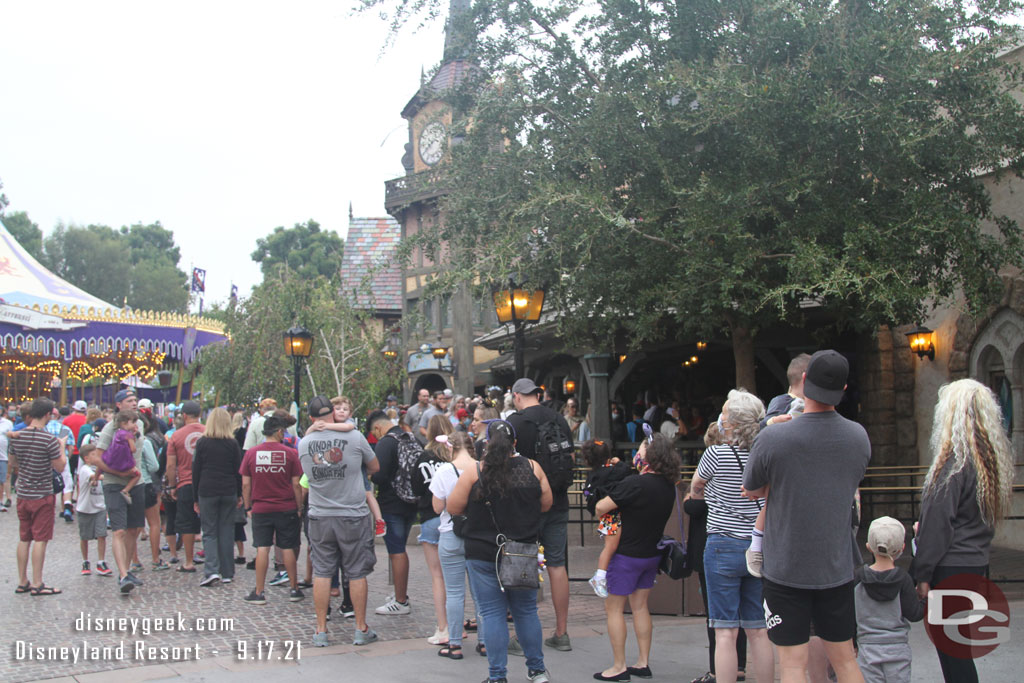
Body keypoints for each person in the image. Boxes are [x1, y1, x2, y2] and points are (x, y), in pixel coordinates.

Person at [743, 350, 870, 683]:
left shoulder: (774, 436)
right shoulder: (858, 437)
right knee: (845, 660)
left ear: (803, 381)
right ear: (842, 389)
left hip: (786, 566)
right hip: (836, 565)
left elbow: (751, 488)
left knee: (792, 664)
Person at [910, 378, 1014, 683]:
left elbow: (937, 525)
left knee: (954, 655)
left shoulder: (954, 463)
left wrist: (922, 573)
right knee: (959, 647)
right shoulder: (989, 461)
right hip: (976, 563)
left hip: (950, 567)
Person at [447, 420, 553, 683]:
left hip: (483, 551)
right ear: (514, 443)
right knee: (526, 611)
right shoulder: (532, 468)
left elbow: (453, 506)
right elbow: (546, 504)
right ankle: (537, 669)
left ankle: (497, 676)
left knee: (492, 612)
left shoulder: (475, 472)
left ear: (487, 442)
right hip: (523, 550)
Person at [690, 389, 774, 683]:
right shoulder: (766, 453)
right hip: (758, 545)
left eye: (725, 414)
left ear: (734, 423)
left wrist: (710, 496)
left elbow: (696, 486)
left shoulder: (715, 454)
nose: (721, 418)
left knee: (725, 631)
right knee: (758, 629)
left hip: (723, 543)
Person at [592, 433, 681, 682]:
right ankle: (642, 662)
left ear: (649, 455)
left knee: (614, 609)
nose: (637, 453)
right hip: (652, 554)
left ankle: (618, 666)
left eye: (641, 448)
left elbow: (601, 507)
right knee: (640, 606)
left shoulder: (636, 483)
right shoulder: (667, 485)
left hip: (626, 556)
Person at [299, 396, 380, 647]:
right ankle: (360, 628)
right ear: (332, 414)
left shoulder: (304, 443)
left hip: (320, 514)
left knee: (322, 571)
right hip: (352, 514)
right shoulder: (355, 437)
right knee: (356, 572)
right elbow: (375, 466)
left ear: (312, 418)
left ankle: (321, 630)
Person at [506, 377, 574, 653]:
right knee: (557, 565)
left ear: (517, 395)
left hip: (526, 504)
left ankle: (524, 637)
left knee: (525, 564)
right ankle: (562, 632)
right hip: (558, 499)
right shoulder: (559, 420)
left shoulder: (516, 422)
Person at [684, 420, 747, 683]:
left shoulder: (714, 467)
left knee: (720, 619)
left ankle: (718, 671)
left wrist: (692, 495)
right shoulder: (749, 460)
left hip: (717, 546)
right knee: (750, 620)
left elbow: (693, 504)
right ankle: (740, 666)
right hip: (746, 544)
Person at [430, 430, 486, 660]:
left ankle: (454, 644)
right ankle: (484, 641)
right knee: (481, 593)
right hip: (479, 536)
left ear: (451, 448)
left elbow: (436, 507)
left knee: (454, 592)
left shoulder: (444, 470)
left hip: (451, 534)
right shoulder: (483, 467)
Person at [240, 415, 304, 605]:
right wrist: (299, 506)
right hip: (286, 507)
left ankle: (259, 591)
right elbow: (296, 484)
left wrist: (247, 506)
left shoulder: (251, 454)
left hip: (261, 508)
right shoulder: (290, 453)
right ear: (278, 432)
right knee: (287, 548)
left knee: (262, 548)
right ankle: (294, 588)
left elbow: (245, 483)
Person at [854, 516, 924, 683]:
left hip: (867, 648)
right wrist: (925, 600)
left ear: (868, 547)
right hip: (897, 649)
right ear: (902, 548)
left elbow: (849, 614)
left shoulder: (857, 579)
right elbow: (914, 614)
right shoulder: (904, 580)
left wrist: (852, 642)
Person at [92, 389, 148, 595]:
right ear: (119, 405)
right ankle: (124, 575)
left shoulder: (140, 424)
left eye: (135, 400)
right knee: (119, 530)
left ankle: (125, 571)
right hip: (114, 483)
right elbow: (97, 458)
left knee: (133, 529)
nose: (134, 403)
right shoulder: (110, 428)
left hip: (137, 482)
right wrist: (116, 472)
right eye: (130, 401)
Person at [10, 398, 66, 595]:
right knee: (40, 539)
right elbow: (59, 467)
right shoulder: (49, 439)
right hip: (42, 494)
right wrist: (62, 448)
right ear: (48, 415)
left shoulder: (17, 436)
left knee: (24, 538)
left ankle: (22, 580)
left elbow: (13, 462)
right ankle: (37, 582)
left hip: (23, 493)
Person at [370, 408, 420, 616]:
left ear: (377, 427)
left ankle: (400, 601)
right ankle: (400, 595)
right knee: (398, 549)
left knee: (396, 550)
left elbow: (379, 475)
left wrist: (371, 475)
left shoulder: (386, 442)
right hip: (411, 501)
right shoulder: (410, 437)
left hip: (392, 503)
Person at [412, 414, 453, 645]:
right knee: (457, 578)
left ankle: (443, 627)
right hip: (454, 518)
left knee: (437, 577)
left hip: (430, 517)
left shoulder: (424, 457)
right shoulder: (453, 456)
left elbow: (415, 487)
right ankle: (459, 625)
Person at [192, 407, 244, 587]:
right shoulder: (232, 444)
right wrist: (239, 494)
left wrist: (195, 497)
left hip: (207, 490)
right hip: (228, 490)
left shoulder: (203, 443)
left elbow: (196, 471)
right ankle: (227, 572)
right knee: (226, 531)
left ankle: (211, 570)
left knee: (209, 532)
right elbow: (238, 471)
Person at [581, 439, 631, 598]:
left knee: (611, 546)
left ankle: (605, 574)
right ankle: (600, 576)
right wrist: (619, 462)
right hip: (614, 514)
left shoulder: (593, 475)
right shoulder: (614, 470)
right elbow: (626, 470)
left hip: (606, 514)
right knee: (611, 547)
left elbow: (587, 493)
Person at [165, 399, 205, 573]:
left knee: (187, 523)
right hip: (207, 483)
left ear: (184, 415)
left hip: (186, 483)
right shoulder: (208, 432)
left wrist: (172, 485)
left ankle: (188, 561)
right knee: (210, 522)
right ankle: (213, 561)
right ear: (200, 414)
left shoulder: (176, 435)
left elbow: (170, 466)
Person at [76, 445, 113, 576]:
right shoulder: (84, 469)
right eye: (93, 454)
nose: (97, 456)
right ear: (86, 458)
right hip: (85, 508)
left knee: (101, 535)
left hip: (99, 507)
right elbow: (95, 477)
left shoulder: (99, 468)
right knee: (84, 536)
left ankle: (101, 561)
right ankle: (85, 560)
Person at [103, 411, 142, 505]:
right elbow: (133, 449)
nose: (134, 425)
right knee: (138, 475)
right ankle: (125, 490)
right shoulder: (128, 435)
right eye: (133, 422)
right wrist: (134, 439)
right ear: (125, 423)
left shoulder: (117, 432)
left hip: (114, 462)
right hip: (126, 463)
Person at [0, 401, 12, 510]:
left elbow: (11, 439)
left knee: (1, 480)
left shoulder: (7, 423)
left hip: (3, 456)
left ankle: (0, 502)